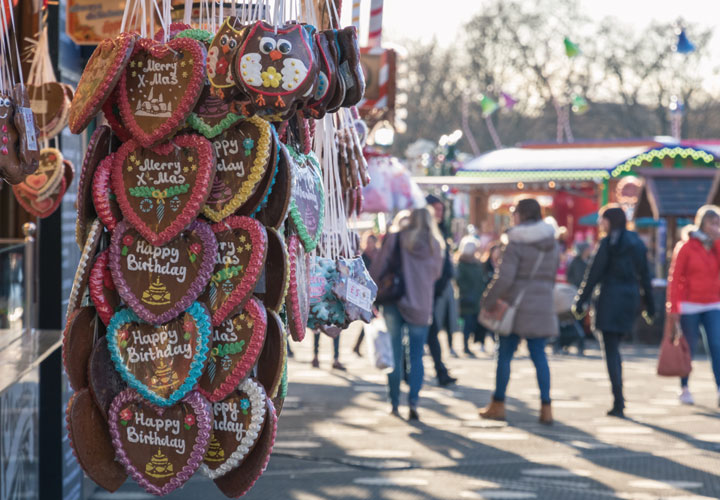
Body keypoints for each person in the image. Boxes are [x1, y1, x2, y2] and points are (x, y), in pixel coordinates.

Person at [479, 198, 559, 425]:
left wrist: (488, 300)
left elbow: (504, 278)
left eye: (514, 212)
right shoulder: (551, 242)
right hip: (542, 303)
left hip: (516, 305)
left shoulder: (516, 241)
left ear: (521, 215)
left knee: (504, 354)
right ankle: (546, 408)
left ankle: (498, 404)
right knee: (539, 355)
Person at [574, 205, 655, 418]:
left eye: (602, 220)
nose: (600, 224)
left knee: (610, 350)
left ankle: (618, 400)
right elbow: (645, 276)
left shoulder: (608, 243)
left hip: (610, 298)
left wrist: (580, 301)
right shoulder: (636, 242)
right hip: (629, 299)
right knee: (615, 348)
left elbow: (593, 274)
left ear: (610, 221)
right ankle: (619, 398)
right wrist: (651, 306)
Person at [370, 207, 444, 421]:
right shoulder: (435, 244)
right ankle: (413, 402)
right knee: (417, 356)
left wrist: (370, 291)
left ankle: (394, 402)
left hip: (395, 300)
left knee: (394, 353)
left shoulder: (397, 238)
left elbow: (379, 265)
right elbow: (437, 274)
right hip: (421, 304)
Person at [666, 205, 720, 406]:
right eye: (712, 223)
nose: (715, 227)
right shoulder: (687, 246)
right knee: (688, 348)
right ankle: (685, 387)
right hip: (689, 305)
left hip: (713, 303)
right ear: (702, 223)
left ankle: (719, 388)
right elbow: (675, 278)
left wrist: (717, 241)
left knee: (716, 346)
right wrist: (674, 308)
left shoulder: (716, 245)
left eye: (718, 223)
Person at [425, 194, 459, 385]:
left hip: (436, 290)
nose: (439, 213)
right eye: (435, 209)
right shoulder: (424, 231)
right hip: (424, 291)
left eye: (441, 209)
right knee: (425, 332)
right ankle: (439, 371)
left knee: (430, 332)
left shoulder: (442, 231)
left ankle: (440, 370)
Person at [456, 236, 490, 356]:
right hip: (467, 299)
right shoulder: (461, 264)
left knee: (476, 322)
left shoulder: (477, 263)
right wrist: (467, 292)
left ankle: (477, 343)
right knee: (467, 323)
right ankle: (465, 346)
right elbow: (459, 281)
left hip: (478, 298)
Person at [352, 231, 380, 356]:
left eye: (372, 242)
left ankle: (358, 346)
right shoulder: (362, 257)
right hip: (366, 292)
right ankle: (359, 346)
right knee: (369, 318)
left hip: (378, 291)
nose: (370, 244)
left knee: (371, 319)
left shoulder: (379, 255)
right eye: (367, 242)